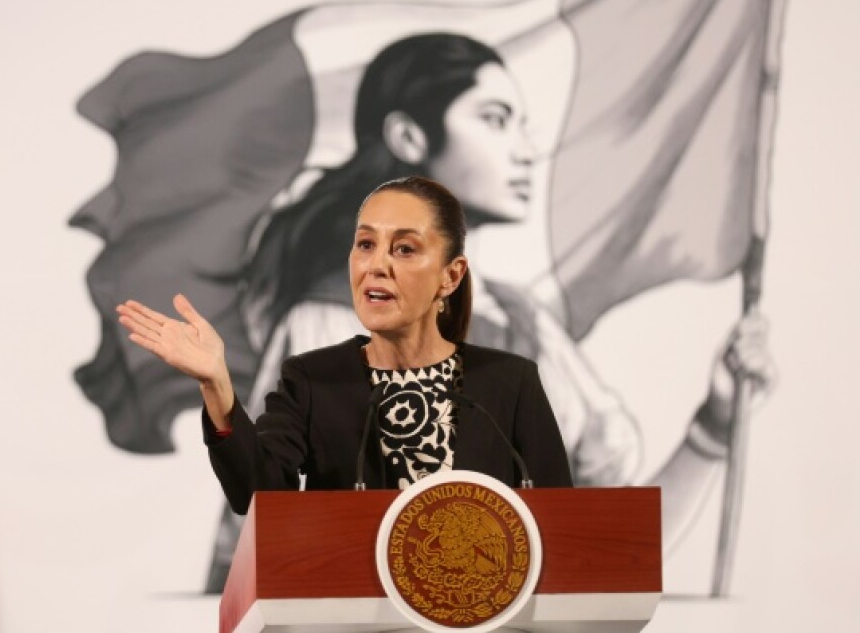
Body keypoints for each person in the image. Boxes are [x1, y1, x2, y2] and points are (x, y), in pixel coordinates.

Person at [194, 32, 774, 589]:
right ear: (410, 137)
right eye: (495, 119)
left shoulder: (526, 326)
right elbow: (261, 552)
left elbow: (607, 553)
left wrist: (715, 425)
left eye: (522, 125)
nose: (525, 150)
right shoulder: (327, 327)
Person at [117, 176, 574, 512]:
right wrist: (217, 385)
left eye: (404, 249)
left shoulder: (510, 383)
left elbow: (561, 520)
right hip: (354, 616)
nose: (376, 266)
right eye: (365, 244)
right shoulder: (313, 380)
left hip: (483, 615)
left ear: (450, 276)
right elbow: (259, 495)